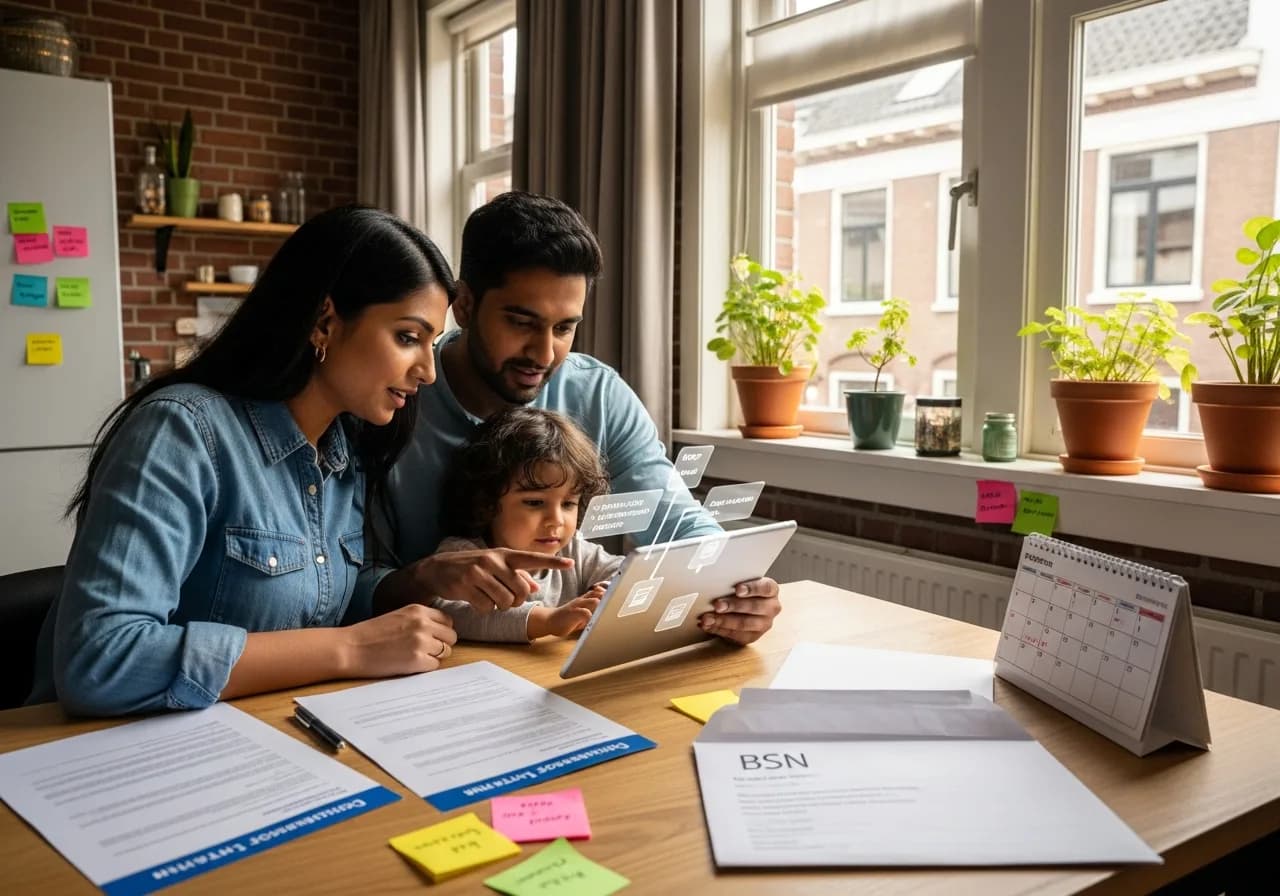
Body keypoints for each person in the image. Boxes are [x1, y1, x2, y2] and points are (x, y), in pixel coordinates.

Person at [27, 206, 561, 717]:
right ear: (325, 321)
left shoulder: (342, 447)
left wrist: (427, 577)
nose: (426, 371)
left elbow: (327, 598)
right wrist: (347, 649)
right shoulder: (180, 432)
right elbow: (100, 659)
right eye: (407, 337)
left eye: (432, 343)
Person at [366, 191, 782, 645]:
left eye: (564, 328)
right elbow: (351, 589)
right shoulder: (389, 399)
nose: (545, 354)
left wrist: (735, 588)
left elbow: (676, 523)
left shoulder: (598, 395)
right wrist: (427, 576)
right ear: (463, 305)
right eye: (522, 322)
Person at [433, 406, 622, 642]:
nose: (556, 519)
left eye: (568, 504)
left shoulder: (573, 552)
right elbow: (453, 614)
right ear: (486, 502)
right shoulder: (465, 557)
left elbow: (624, 570)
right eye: (534, 502)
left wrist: (607, 591)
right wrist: (549, 621)